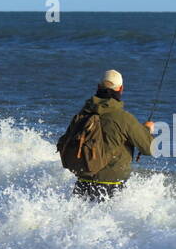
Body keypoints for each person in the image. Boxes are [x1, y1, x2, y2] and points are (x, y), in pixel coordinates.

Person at [59, 69, 155, 201]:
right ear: (121, 89)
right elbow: (150, 148)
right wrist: (147, 130)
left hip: (82, 183)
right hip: (112, 186)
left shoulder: (81, 115)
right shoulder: (124, 119)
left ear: (98, 87)